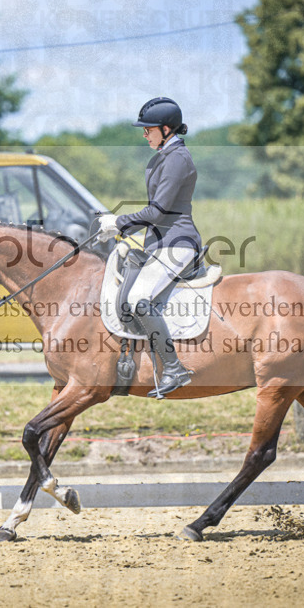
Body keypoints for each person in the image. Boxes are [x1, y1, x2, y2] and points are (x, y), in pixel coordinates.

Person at [96, 97, 202, 399]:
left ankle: (173, 368)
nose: (144, 134)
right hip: (159, 241)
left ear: (166, 129)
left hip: (178, 241)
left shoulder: (177, 159)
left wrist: (119, 222)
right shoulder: (163, 155)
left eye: (149, 129)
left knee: (139, 297)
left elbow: (157, 212)